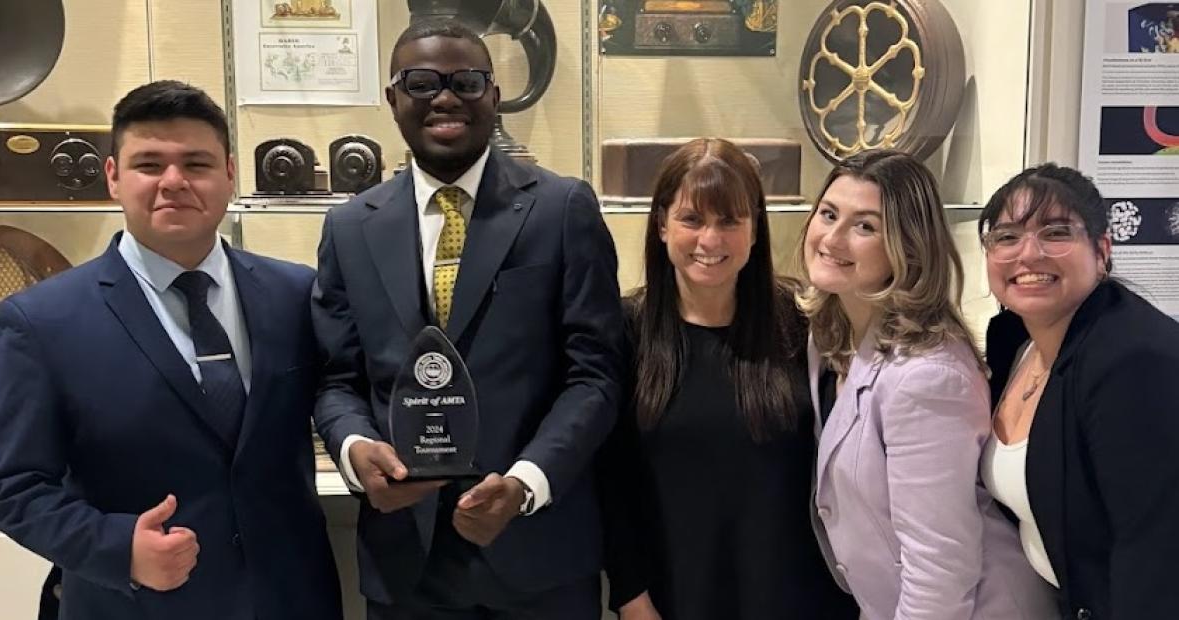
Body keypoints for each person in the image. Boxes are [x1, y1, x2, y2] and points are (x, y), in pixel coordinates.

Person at [311, 19, 624, 619]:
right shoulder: (349, 228)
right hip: (407, 562)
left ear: (495, 97)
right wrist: (355, 448)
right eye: (422, 82)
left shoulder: (562, 209)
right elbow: (336, 378)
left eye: (469, 81)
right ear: (393, 99)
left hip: (538, 555)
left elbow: (597, 373)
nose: (446, 97)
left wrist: (528, 482)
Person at [0, 80, 342, 620]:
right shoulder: (39, 321)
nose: (174, 182)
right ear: (113, 176)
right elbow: (14, 485)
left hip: (289, 598)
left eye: (197, 164)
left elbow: (339, 396)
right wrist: (117, 548)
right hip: (136, 605)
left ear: (230, 173)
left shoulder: (295, 294)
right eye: (149, 164)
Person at [598, 138, 858, 620]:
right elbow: (612, 486)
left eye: (729, 221)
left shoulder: (804, 324)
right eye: (692, 219)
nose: (710, 240)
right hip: (676, 598)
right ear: (661, 224)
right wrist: (633, 601)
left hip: (802, 599)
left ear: (755, 229)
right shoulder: (625, 330)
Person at [797, 149, 1057, 619]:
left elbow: (940, 568)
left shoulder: (927, 376)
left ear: (908, 247)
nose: (832, 237)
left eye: (865, 226)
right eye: (829, 214)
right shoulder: (830, 335)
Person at [979, 164, 1179, 619]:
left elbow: (1156, 555)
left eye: (1055, 233)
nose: (1028, 255)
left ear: (1102, 250)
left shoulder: (1132, 361)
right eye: (1007, 237)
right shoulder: (1018, 341)